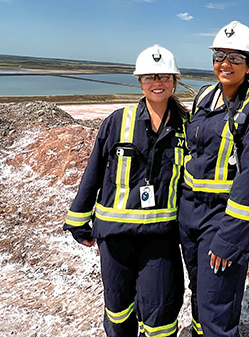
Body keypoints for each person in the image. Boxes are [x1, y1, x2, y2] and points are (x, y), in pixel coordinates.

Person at [63, 45, 186, 337]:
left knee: (161, 312)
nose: (157, 82)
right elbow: (93, 171)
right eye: (149, 77)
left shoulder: (185, 126)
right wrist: (78, 220)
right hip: (116, 236)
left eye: (164, 76)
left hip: (161, 237)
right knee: (118, 310)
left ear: (174, 81)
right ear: (139, 81)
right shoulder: (118, 121)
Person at [179, 21, 249, 337]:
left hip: (221, 220)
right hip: (189, 214)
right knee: (198, 291)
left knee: (216, 305)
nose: (225, 63)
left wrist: (230, 238)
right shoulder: (205, 96)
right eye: (220, 55)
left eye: (236, 58)